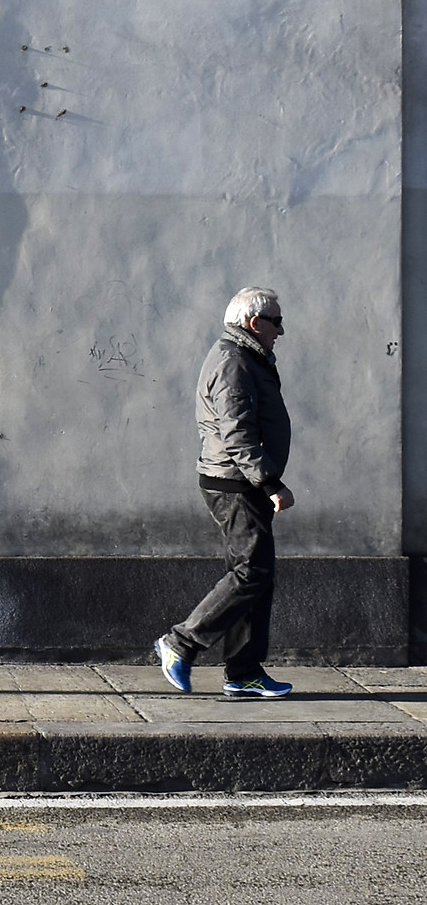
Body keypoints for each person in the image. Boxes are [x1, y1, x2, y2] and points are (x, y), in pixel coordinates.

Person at [155, 287, 295, 700]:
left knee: (255, 576)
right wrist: (270, 482)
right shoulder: (234, 362)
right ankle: (181, 643)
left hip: (240, 481)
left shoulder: (245, 356)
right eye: (276, 322)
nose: (281, 331)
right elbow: (237, 433)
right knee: (252, 572)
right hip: (236, 483)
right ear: (255, 323)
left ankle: (244, 672)